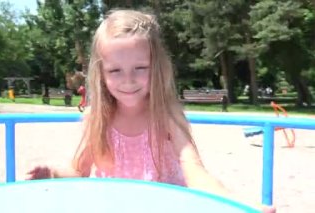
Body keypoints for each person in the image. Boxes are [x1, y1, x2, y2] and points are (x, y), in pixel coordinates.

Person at [27, 9, 275, 213]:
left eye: (140, 67)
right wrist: (53, 172)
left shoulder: (166, 117)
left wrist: (237, 204)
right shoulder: (96, 118)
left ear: (156, 66)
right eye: (115, 71)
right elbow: (79, 171)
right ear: (101, 74)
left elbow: (195, 173)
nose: (128, 80)